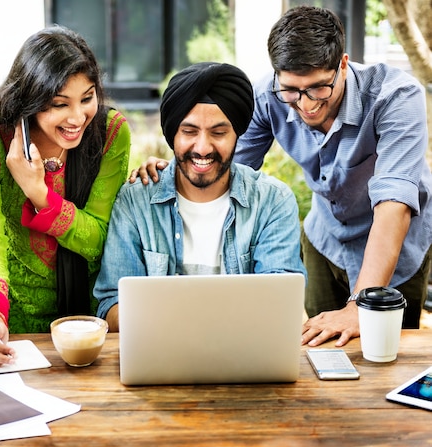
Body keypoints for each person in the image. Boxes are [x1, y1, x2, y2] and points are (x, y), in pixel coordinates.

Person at [132, 6, 432, 346]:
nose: (305, 105)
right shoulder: (267, 96)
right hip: (325, 240)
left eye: (318, 88)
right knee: (320, 351)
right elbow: (229, 169)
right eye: (291, 90)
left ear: (343, 65)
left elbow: (393, 203)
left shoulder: (395, 97)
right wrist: (179, 166)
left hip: (394, 248)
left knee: (382, 360)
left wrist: (360, 306)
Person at [0, 25, 131, 365]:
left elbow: (100, 240)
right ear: (29, 100)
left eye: (87, 98)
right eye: (59, 104)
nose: (78, 117)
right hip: (13, 328)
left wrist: (40, 195)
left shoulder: (110, 133)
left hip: (92, 328)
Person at [94, 62, 306, 332]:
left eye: (218, 133)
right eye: (189, 132)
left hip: (246, 364)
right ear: (172, 134)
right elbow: (111, 304)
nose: (203, 148)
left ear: (237, 134)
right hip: (161, 362)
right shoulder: (135, 202)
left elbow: (283, 303)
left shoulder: (272, 202)